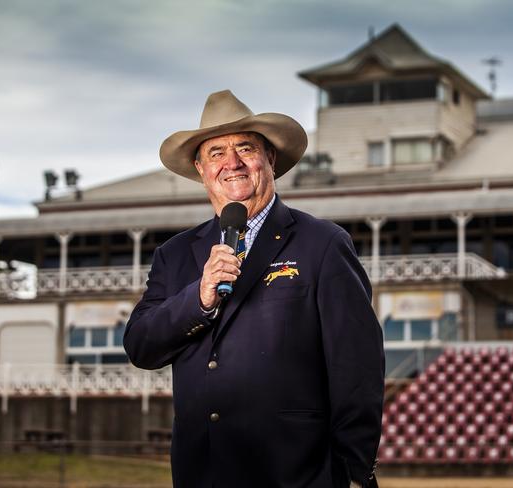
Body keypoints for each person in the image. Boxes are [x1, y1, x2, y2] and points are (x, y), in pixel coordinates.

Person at [124, 90, 384, 488]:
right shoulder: (174, 255)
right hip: (204, 474)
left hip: (299, 475)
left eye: (245, 148)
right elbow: (141, 346)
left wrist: (353, 472)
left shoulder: (322, 243)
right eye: (216, 153)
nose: (233, 163)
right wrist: (199, 297)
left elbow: (357, 368)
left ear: (270, 160)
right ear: (200, 168)